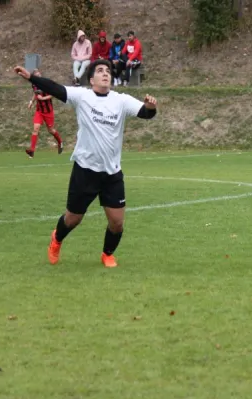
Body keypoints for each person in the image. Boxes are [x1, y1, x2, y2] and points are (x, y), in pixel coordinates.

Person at [14, 60, 158, 268]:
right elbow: (55, 88)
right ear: (91, 79)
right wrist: (31, 78)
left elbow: (145, 113)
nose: (105, 74)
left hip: (111, 173)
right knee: (73, 219)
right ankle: (57, 239)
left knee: (117, 223)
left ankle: (107, 254)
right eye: (100, 71)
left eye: (108, 71)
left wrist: (151, 107)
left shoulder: (121, 100)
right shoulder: (83, 96)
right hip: (85, 170)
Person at [26, 69, 63, 158]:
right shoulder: (34, 85)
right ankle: (32, 151)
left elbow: (53, 94)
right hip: (39, 111)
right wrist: (31, 101)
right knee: (36, 128)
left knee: (50, 130)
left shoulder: (46, 83)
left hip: (48, 111)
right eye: (35, 74)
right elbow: (35, 94)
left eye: (38, 73)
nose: (38, 74)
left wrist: (43, 99)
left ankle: (60, 142)